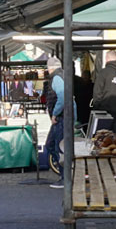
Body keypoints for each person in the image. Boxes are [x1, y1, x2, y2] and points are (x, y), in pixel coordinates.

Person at [44, 57, 75, 188]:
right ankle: (65, 176)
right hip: (65, 118)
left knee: (57, 147)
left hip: (61, 118)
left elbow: (62, 97)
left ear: (49, 68)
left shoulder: (56, 78)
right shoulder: (63, 75)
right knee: (52, 145)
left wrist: (55, 113)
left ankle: (65, 178)